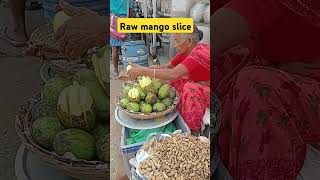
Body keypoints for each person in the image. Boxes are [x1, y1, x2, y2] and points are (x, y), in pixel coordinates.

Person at [213, 0, 320, 179]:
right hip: (277, 64)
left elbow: (214, 33)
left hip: (306, 80)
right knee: (220, 65)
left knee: (255, 87)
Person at [121, 25, 210, 136]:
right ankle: (181, 111)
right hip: (198, 82)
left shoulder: (199, 53)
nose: (174, 45)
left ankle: (193, 130)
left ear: (189, 41)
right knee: (172, 82)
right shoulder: (184, 53)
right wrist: (139, 69)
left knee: (188, 88)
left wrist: (142, 71)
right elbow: (167, 67)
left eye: (177, 41)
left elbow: (173, 73)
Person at [110, 0, 132, 77]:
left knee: (114, 48)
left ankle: (116, 71)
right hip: (124, 20)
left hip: (112, 21)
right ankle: (128, 70)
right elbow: (130, 11)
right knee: (126, 47)